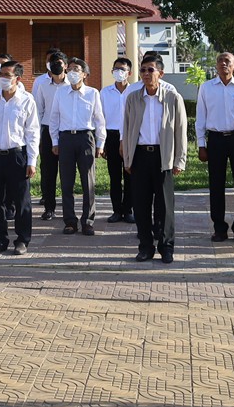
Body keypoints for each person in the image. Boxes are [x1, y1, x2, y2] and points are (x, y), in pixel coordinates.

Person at [121, 55, 188, 263]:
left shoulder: (172, 97)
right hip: (140, 156)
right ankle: (145, 247)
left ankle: (166, 247)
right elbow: (127, 129)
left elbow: (180, 130)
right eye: (143, 70)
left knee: (165, 206)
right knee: (141, 205)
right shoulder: (133, 98)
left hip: (163, 156)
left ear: (161, 73)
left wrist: (179, 159)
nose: (146, 74)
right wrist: (128, 158)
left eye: (151, 70)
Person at [0, 59, 39, 255]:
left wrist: (32, 161)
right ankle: (0, 239)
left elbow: (32, 132)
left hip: (17, 155)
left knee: (22, 201)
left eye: (7, 75)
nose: (2, 78)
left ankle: (22, 240)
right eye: (0, 75)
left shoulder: (27, 100)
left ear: (17, 79)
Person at [197, 52, 234, 243]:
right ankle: (219, 228)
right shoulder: (206, 88)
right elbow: (200, 117)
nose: (223, 63)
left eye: (227, 61)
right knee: (216, 186)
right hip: (216, 140)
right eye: (220, 60)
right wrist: (201, 144)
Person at [51, 58, 104, 236]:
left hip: (85, 138)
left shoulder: (92, 93)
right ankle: (70, 221)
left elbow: (99, 119)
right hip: (66, 138)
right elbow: (54, 118)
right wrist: (55, 141)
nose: (72, 72)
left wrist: (100, 143)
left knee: (88, 182)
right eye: (70, 69)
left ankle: (88, 221)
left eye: (76, 69)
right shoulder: (60, 92)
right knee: (66, 182)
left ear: (84, 74)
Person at [32, 51, 68, 221]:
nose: (56, 66)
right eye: (52, 63)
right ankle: (49, 207)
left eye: (59, 62)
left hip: (67, 131)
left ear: (65, 65)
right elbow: (38, 111)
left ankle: (68, 209)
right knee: (48, 171)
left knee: (67, 172)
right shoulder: (42, 85)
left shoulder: (72, 85)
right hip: (47, 131)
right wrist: (38, 134)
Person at [100, 58, 134, 223]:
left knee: (130, 175)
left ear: (129, 73)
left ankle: (128, 210)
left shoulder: (135, 91)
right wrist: (102, 142)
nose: (118, 72)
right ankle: (116, 210)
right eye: (116, 69)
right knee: (114, 176)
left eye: (122, 69)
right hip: (111, 136)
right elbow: (100, 118)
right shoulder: (105, 92)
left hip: (130, 136)